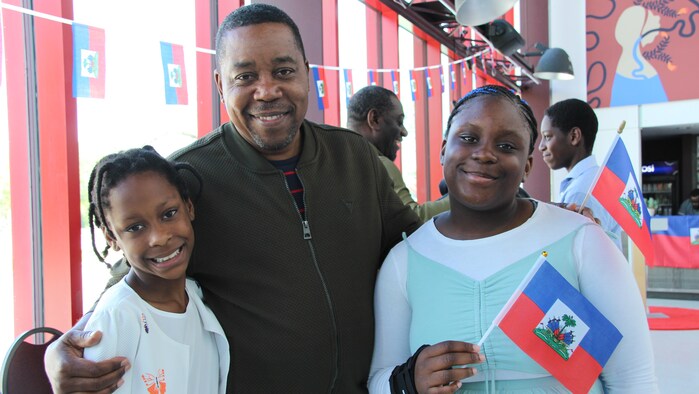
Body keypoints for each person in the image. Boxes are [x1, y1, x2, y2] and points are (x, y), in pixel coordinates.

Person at [45, 4, 421, 393]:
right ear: (221, 84)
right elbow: (134, 276)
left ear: (307, 74)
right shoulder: (188, 178)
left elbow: (414, 245)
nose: (268, 90)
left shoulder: (354, 156)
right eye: (245, 76)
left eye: (283, 71)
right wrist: (69, 344)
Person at [368, 86, 658, 392]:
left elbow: (633, 378)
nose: (484, 153)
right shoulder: (405, 260)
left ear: (527, 167)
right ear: (443, 149)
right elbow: (378, 379)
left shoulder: (582, 241)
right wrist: (408, 381)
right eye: (468, 138)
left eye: (506, 145)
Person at [84, 146, 229, 393]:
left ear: (189, 207)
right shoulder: (115, 320)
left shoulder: (197, 297)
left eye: (169, 214)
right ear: (112, 237)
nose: (159, 238)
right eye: (135, 228)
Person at [347, 86, 450, 221]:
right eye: (399, 122)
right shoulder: (378, 164)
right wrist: (468, 197)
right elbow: (414, 218)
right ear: (374, 119)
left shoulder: (335, 159)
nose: (404, 132)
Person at [538, 98, 623, 250]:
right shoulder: (597, 179)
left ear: (574, 136)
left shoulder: (581, 193)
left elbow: (576, 253)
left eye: (547, 136)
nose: (541, 147)